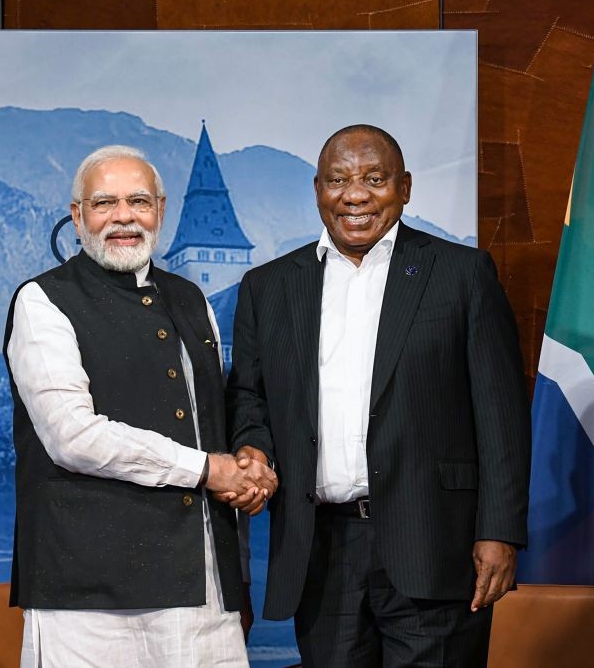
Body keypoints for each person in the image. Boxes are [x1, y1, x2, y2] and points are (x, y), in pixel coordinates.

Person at [225, 125, 531, 667]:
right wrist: (254, 449)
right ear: (318, 189)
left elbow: (501, 416)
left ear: (405, 187)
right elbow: (250, 397)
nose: (355, 194)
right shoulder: (268, 287)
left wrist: (500, 532)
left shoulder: (462, 275)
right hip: (320, 552)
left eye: (374, 178)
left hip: (435, 543)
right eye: (338, 180)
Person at [4, 145, 277, 668]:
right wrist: (206, 469)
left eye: (138, 201)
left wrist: (252, 461)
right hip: (89, 594)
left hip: (201, 586)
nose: (124, 216)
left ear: (161, 209)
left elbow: (219, 412)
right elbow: (72, 437)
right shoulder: (42, 301)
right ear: (77, 215)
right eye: (105, 202)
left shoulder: (192, 299)